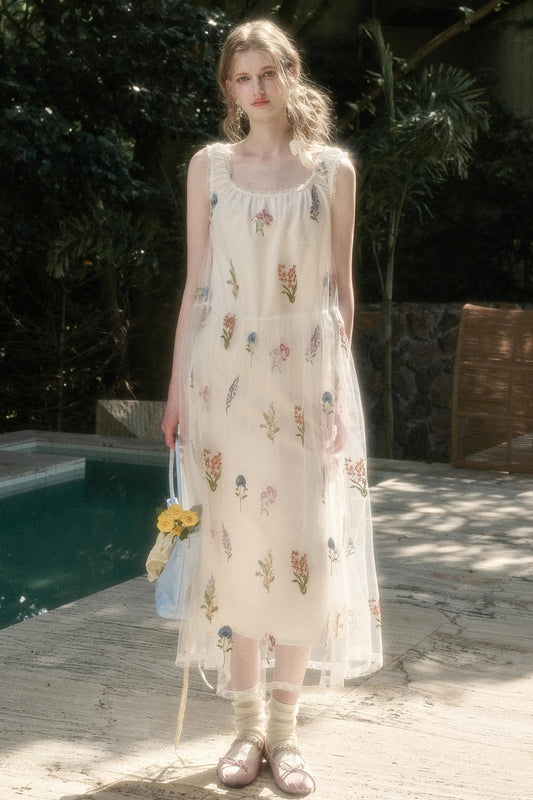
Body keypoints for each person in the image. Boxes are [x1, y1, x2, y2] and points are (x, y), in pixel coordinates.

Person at [161, 18, 382, 795]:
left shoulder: (332, 171)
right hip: (221, 378)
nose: (256, 89)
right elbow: (194, 285)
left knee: (303, 551)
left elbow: (341, 291)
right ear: (228, 89)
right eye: (241, 77)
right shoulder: (209, 167)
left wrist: (338, 394)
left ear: (291, 74)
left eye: (268, 73)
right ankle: (246, 729)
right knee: (233, 550)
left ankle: (285, 738)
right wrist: (174, 390)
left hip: (305, 380)